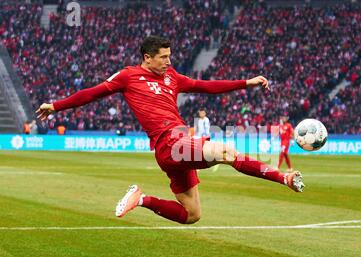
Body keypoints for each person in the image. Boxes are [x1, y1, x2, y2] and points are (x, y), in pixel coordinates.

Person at [36, 36, 305, 225]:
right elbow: (91, 94)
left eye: (169, 56)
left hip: (178, 145)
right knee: (226, 151)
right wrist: (56, 106)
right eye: (163, 57)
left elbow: (205, 86)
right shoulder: (128, 76)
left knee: (192, 214)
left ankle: (142, 199)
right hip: (169, 143)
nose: (168, 61)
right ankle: (284, 179)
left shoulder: (172, 76)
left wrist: (246, 83)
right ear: (147, 57)